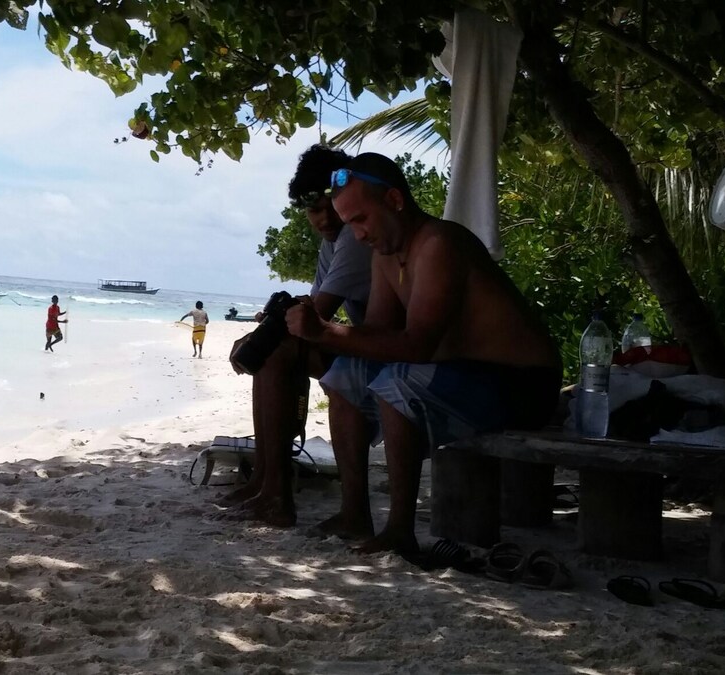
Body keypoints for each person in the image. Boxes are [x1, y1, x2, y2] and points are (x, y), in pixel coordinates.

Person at [285, 152, 562, 553]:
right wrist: (325, 337)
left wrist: (325, 331)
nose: (358, 235)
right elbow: (377, 333)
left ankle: (400, 529)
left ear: (395, 201)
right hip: (463, 370)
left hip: (524, 382)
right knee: (348, 373)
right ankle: (354, 512)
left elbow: (417, 345)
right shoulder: (386, 254)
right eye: (350, 225)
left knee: (398, 382)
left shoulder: (438, 242)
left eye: (361, 219)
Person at [223, 144, 373, 528]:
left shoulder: (356, 240)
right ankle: (264, 481)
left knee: (274, 352)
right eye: (313, 210)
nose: (324, 219)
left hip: (387, 351)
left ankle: (275, 493)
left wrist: (261, 337)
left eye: (329, 207)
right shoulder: (333, 244)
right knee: (270, 350)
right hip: (369, 346)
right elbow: (310, 309)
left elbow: (315, 315)